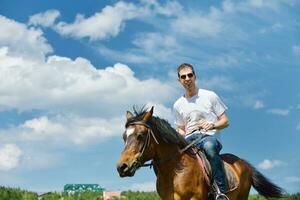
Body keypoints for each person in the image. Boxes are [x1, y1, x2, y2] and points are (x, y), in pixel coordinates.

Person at [173, 63, 229, 199]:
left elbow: (225, 121)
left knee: (209, 148)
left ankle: (221, 192)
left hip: (208, 137)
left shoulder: (210, 95)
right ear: (179, 80)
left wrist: (213, 125)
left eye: (190, 75)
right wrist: (177, 139)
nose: (187, 78)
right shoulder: (177, 104)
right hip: (189, 140)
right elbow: (181, 128)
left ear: (195, 76)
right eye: (183, 76)